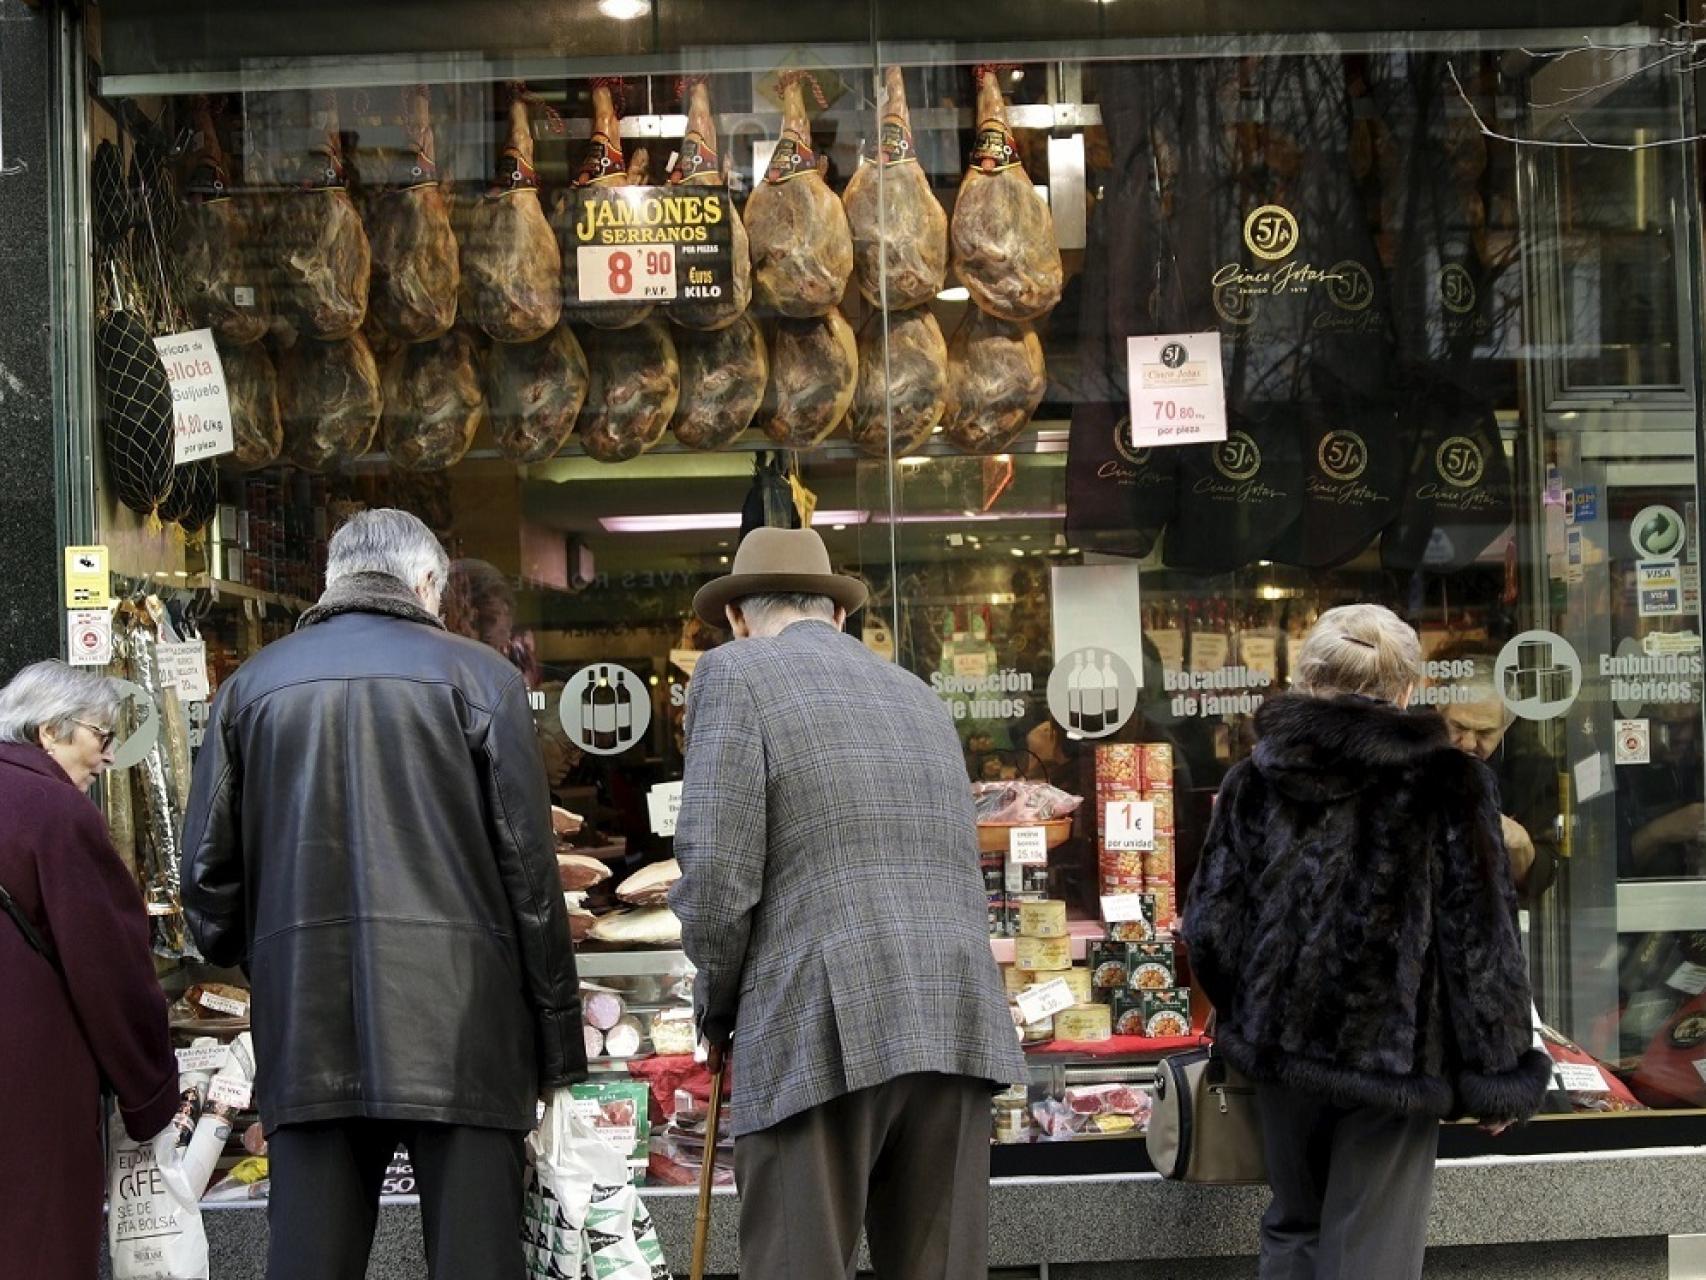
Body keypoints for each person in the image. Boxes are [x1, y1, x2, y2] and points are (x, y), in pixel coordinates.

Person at [182, 509, 585, 1280]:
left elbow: (206, 881)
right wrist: (559, 1054)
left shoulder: (251, 687)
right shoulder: (483, 679)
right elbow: (533, 886)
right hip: (467, 1039)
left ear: (332, 580)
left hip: (308, 1030)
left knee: (310, 1265)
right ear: (426, 582)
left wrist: (252, 953)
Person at [670, 527, 1026, 1280]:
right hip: (953, 1019)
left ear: (737, 615)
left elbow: (716, 881)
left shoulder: (735, 674)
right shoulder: (918, 694)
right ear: (836, 614)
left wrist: (716, 1004)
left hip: (819, 1024)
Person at [1182, 604, 1552, 1280]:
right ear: (1409, 690)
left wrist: (1261, 1012)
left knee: (1294, 1228)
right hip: (1397, 1061)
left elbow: (1208, 929)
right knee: (1373, 1247)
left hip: (1283, 1055)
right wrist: (1499, 1074)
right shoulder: (1451, 783)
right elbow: (1482, 945)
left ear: (1305, 677)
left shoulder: (1254, 779)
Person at [0, 661, 178, 1280]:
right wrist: (152, 1092)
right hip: (28, 1075)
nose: (106, 757)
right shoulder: (55, 810)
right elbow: (110, 965)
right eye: (100, 737)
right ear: (49, 731)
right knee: (37, 1237)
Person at [1431, 642, 1560, 901]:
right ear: (1438, 711)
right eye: (1458, 727)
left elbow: (1543, 875)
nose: (1468, 743)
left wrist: (1522, 845)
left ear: (1506, 727)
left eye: (1484, 733)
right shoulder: (1406, 750)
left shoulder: (1530, 765)